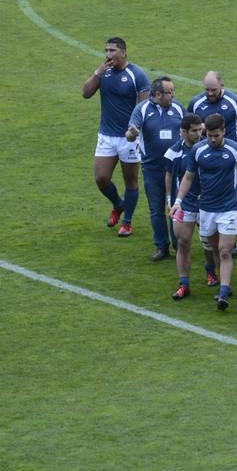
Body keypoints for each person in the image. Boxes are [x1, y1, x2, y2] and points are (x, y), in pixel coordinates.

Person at [173, 114, 237, 311]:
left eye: (216, 135)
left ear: (224, 132)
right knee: (213, 247)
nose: (212, 139)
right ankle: (220, 283)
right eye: (208, 135)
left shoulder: (235, 150)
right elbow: (188, 177)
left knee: (225, 250)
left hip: (228, 208)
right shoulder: (198, 150)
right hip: (206, 210)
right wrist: (178, 201)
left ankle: (224, 292)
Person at [82, 37, 149, 236]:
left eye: (112, 50)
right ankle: (118, 205)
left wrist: (135, 130)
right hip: (106, 135)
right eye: (106, 51)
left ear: (123, 52)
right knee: (101, 178)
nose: (108, 55)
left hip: (129, 137)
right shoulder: (105, 73)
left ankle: (127, 222)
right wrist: (97, 73)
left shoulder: (137, 75)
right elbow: (86, 93)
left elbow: (143, 106)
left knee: (131, 180)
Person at [127, 77, 186, 261]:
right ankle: (161, 246)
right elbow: (130, 133)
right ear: (157, 94)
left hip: (175, 167)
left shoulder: (178, 108)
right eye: (169, 92)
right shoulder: (142, 108)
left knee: (176, 206)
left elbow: (192, 127)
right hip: (152, 167)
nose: (173, 95)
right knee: (156, 209)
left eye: (173, 91)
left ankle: (178, 244)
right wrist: (132, 133)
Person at [164, 115, 211, 300]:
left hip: (208, 203)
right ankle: (184, 283)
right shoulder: (173, 153)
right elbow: (169, 176)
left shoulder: (209, 148)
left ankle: (211, 270)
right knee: (182, 242)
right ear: (183, 132)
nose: (199, 134)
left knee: (210, 242)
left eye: (201, 130)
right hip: (185, 204)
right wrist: (170, 199)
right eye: (194, 131)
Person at [189, 71, 237, 140]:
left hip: (231, 149)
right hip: (206, 149)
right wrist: (199, 128)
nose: (210, 93)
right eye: (207, 89)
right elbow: (187, 129)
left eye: (214, 90)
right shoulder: (195, 103)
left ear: (222, 85)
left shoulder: (235, 102)